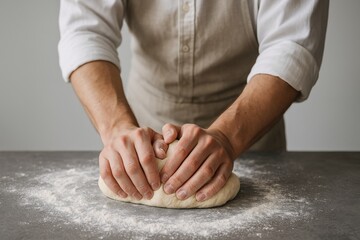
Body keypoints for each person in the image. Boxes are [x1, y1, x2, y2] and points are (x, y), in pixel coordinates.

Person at [58, 1, 329, 203]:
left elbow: (291, 43)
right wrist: (117, 127)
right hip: (142, 130)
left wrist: (226, 137)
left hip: (250, 133)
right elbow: (85, 29)